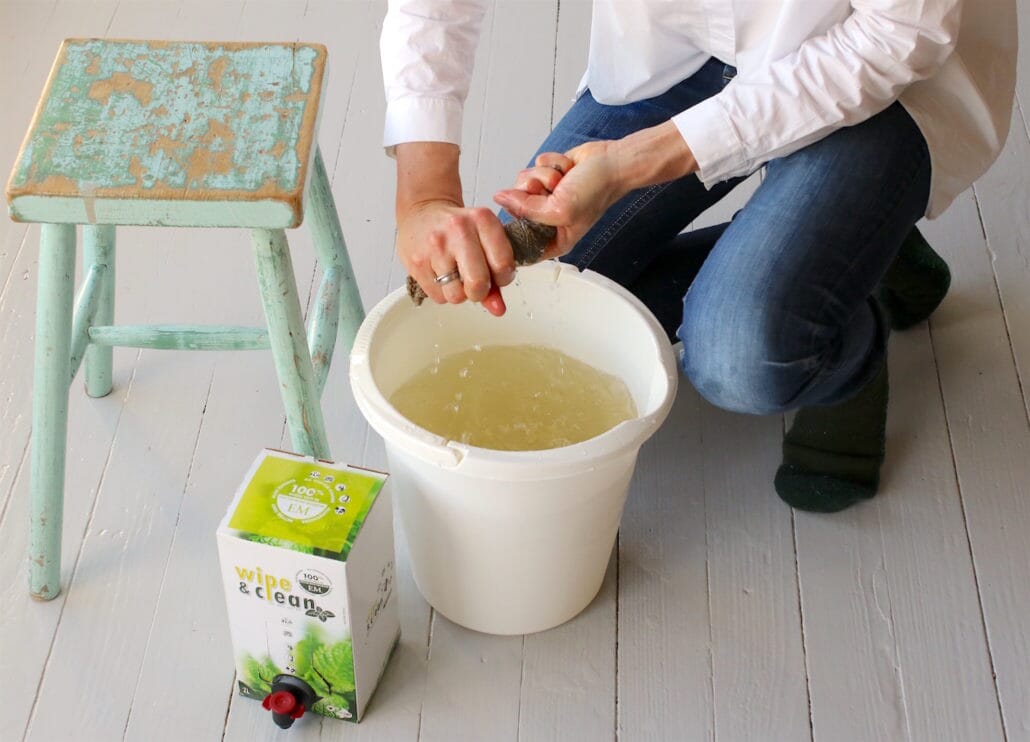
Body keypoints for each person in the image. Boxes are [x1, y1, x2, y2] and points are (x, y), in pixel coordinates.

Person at [379, 0, 1017, 512]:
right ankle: (841, 248)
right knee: (537, 296)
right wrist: (425, 197)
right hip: (673, 51)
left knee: (742, 354)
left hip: (874, 70)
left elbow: (901, 32)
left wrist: (630, 163)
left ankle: (849, 317)